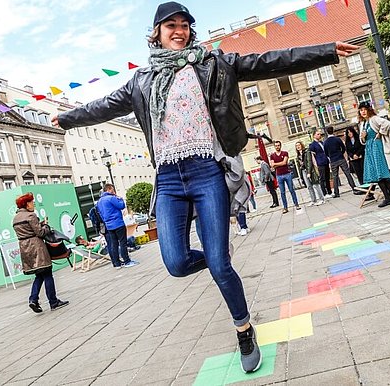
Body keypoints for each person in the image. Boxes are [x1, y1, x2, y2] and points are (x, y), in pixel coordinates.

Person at [52, 1, 358, 373]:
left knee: (217, 265)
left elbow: (269, 62)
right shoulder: (141, 81)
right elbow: (103, 106)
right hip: (167, 179)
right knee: (177, 264)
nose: (179, 31)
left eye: (184, 25)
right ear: (157, 34)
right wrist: (66, 119)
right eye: (171, 26)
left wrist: (325, 52)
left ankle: (244, 328)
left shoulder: (214, 64)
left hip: (205, 171)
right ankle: (218, 255)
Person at [12, 192, 69, 313]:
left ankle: (33, 299)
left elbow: (27, 230)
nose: (33, 204)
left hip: (25, 248)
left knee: (39, 275)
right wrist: (46, 226)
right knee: (47, 273)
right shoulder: (31, 216)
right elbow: (40, 233)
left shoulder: (15, 218)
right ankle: (53, 302)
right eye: (32, 202)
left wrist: (40, 224)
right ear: (26, 204)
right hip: (36, 247)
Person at [358, 102, 390, 207]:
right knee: (378, 173)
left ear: (369, 109)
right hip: (369, 148)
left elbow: (387, 123)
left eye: (364, 109)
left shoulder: (374, 119)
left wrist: (380, 133)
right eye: (361, 110)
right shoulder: (363, 124)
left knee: (383, 172)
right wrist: (363, 137)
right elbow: (362, 140)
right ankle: (389, 197)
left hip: (377, 147)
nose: (362, 112)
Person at [97, 183, 139, 268]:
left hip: (109, 226)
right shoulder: (111, 198)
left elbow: (100, 214)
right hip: (118, 223)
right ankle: (127, 261)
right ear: (108, 189)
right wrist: (120, 199)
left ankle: (117, 264)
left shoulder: (99, 202)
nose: (114, 191)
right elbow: (121, 206)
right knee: (123, 242)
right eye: (112, 189)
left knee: (114, 244)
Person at [323, 126, 359, 197]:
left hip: (333, 160)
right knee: (347, 173)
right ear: (333, 131)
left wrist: (330, 156)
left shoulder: (325, 142)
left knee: (335, 176)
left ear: (327, 132)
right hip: (340, 158)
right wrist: (341, 153)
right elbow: (343, 147)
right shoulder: (337, 139)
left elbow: (326, 152)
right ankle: (354, 188)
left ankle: (336, 193)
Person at [270, 140, 301, 213]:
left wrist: (276, 164)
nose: (277, 147)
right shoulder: (272, 155)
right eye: (276, 145)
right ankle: (285, 207)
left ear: (280, 146)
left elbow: (284, 163)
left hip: (287, 174)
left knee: (292, 190)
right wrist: (279, 164)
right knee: (282, 192)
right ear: (274, 147)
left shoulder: (285, 153)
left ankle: (296, 205)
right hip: (279, 175)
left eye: (278, 145)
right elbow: (272, 165)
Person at [309, 131, 333, 198]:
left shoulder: (322, 143)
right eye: (318, 134)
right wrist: (315, 164)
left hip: (326, 161)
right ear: (314, 135)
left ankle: (329, 192)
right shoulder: (312, 145)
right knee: (322, 178)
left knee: (327, 177)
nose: (320, 135)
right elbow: (312, 156)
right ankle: (324, 193)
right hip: (320, 163)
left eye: (320, 134)